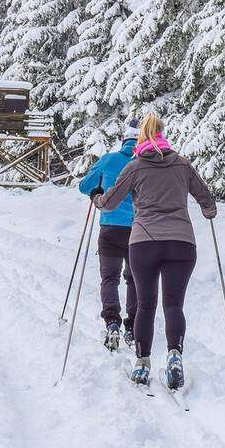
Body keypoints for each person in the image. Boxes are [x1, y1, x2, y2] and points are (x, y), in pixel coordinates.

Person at [92, 113, 216, 390]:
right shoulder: (183, 164)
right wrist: (209, 211)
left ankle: (142, 363)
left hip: (144, 242)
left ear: (141, 137)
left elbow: (110, 202)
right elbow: (206, 198)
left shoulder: (135, 167)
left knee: (146, 305)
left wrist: (97, 199)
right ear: (162, 134)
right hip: (182, 243)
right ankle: (174, 355)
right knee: (174, 305)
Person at [77, 121, 140, 352]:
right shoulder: (144, 162)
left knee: (110, 278)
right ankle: (132, 326)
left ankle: (112, 322)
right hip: (138, 230)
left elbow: (85, 186)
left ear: (124, 141)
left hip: (110, 228)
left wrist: (97, 191)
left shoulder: (109, 159)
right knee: (134, 279)